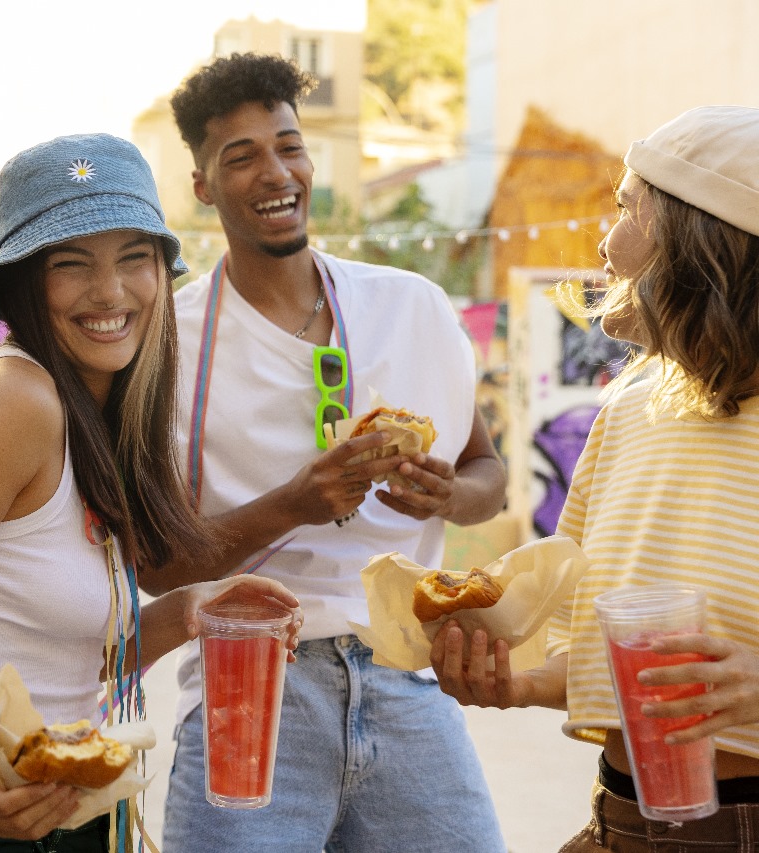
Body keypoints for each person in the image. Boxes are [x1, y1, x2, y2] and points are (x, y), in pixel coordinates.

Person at [0, 132, 302, 852]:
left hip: (75, 817)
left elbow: (55, 664)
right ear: (25, 281)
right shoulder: (15, 400)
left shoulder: (95, 417)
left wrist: (189, 610)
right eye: (71, 264)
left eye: (133, 258)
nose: (109, 292)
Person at [145, 52, 508, 851]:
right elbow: (157, 568)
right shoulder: (168, 344)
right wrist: (296, 503)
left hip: (408, 678)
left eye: (288, 145)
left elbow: (491, 476)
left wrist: (446, 496)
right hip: (250, 688)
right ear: (202, 186)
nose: (275, 171)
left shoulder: (410, 305)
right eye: (240, 156)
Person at [432, 105, 759, 851]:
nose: (604, 245)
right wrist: (515, 684)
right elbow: (606, 653)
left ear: (697, 243)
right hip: (621, 821)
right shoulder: (631, 405)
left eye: (624, 210)